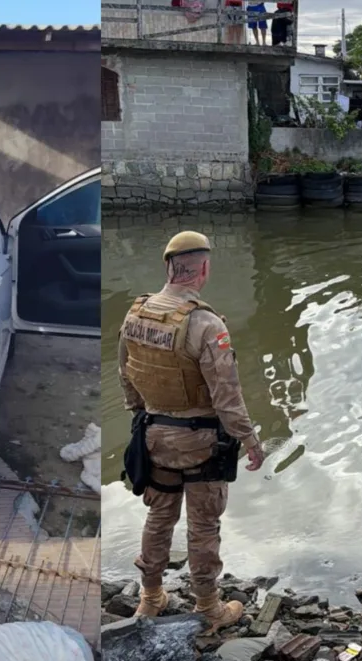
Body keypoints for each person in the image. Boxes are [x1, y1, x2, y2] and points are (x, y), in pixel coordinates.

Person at [118, 231, 266, 633]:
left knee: (159, 516)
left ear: (168, 266)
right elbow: (227, 396)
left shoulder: (135, 314)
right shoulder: (206, 324)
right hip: (203, 444)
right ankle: (208, 607)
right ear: (204, 269)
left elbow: (126, 376)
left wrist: (142, 417)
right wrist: (250, 440)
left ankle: (150, 598)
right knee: (203, 526)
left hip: (154, 437)